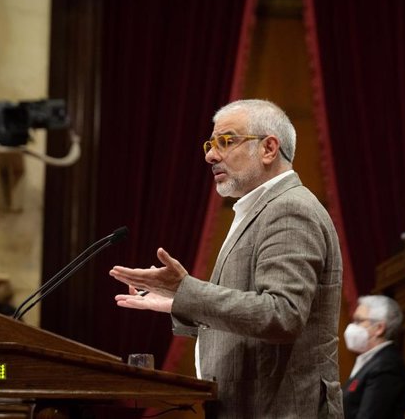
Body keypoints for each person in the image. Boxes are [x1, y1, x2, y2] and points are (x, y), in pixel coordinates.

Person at [109, 99, 344, 418]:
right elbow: (254, 313)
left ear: (268, 148)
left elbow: (282, 314)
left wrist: (187, 292)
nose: (210, 155)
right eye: (211, 143)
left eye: (226, 141)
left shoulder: (289, 209)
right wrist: (179, 302)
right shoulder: (263, 209)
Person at [342, 295, 405, 419]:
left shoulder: (386, 365)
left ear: (379, 328)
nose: (352, 326)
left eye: (359, 321)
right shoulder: (371, 361)